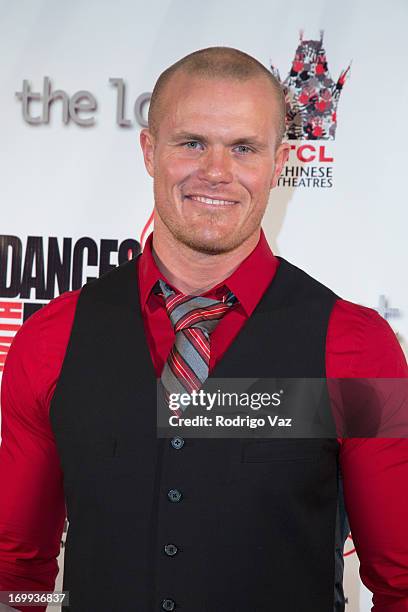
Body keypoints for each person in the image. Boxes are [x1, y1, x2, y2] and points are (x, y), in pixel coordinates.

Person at [0, 46, 407, 612]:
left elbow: (401, 582)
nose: (215, 171)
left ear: (278, 161)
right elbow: (16, 569)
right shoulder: (52, 338)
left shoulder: (355, 346)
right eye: (192, 143)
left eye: (243, 148)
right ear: (149, 150)